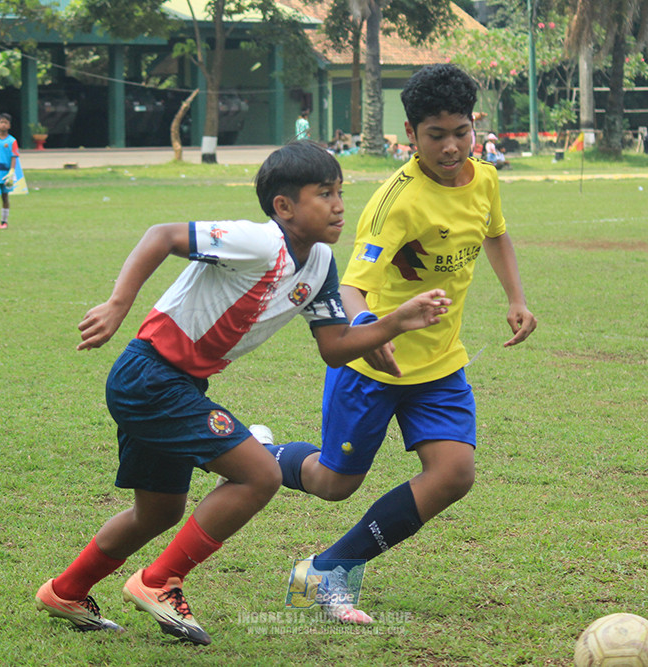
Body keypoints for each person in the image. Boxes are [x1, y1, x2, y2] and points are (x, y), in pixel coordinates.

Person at [33, 140, 451, 645]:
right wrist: (119, 303)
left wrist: (394, 323)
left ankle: (66, 591)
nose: (340, 204)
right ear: (284, 207)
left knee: (160, 511)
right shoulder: (258, 241)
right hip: (150, 378)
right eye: (324, 193)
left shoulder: (319, 264)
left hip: (173, 385)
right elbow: (161, 235)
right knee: (260, 475)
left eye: (341, 191)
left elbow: (336, 348)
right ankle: (158, 581)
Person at [261, 64, 537, 624]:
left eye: (461, 131)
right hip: (373, 365)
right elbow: (353, 285)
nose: (452, 146)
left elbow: (496, 233)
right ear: (410, 134)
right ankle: (258, 456)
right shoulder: (396, 200)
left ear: (473, 125)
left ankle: (328, 568)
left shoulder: (484, 179)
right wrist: (366, 335)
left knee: (455, 474)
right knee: (333, 483)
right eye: (436, 135)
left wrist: (516, 297)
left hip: (439, 365)